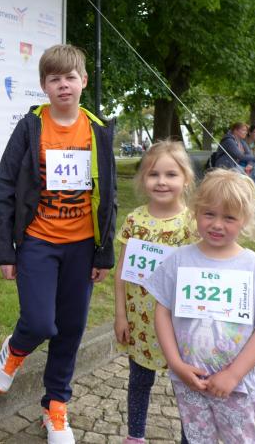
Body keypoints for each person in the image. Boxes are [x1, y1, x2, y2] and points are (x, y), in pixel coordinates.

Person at [0, 44, 117, 444]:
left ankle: (55, 405)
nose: (63, 85)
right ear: (44, 86)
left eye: (70, 77)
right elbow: (5, 187)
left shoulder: (98, 129)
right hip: (39, 241)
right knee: (41, 322)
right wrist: (5, 250)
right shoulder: (30, 127)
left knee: (71, 328)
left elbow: (109, 193)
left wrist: (104, 252)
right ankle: (15, 349)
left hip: (82, 246)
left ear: (84, 81)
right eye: (54, 79)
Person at [145, 169, 255, 444]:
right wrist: (176, 364)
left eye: (229, 217)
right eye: (209, 214)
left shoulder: (253, 266)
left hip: (235, 386)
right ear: (196, 212)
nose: (217, 225)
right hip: (190, 381)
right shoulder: (179, 260)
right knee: (196, 439)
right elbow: (162, 311)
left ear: (244, 220)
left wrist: (233, 375)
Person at [113, 140, 197, 444]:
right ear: (143, 179)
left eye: (171, 174)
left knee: (186, 386)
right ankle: (135, 436)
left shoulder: (193, 224)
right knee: (139, 380)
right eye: (153, 174)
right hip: (140, 321)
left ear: (185, 179)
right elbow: (122, 272)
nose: (161, 181)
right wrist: (120, 315)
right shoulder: (134, 220)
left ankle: (192, 436)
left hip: (179, 325)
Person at [211, 122, 255, 205]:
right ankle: (254, 198)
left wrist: (250, 164)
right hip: (225, 167)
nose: (246, 132)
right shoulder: (228, 140)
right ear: (236, 130)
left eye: (246, 131)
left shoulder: (241, 141)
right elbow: (240, 156)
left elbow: (249, 154)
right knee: (246, 176)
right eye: (243, 130)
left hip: (235, 167)